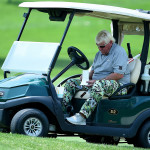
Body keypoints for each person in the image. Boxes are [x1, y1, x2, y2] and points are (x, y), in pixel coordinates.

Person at [62, 30, 130, 125]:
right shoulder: (99, 54)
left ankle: (82, 117)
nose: (99, 49)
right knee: (71, 83)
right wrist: (85, 77)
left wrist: (96, 81)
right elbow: (93, 71)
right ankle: (65, 113)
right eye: (97, 46)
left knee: (98, 85)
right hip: (98, 83)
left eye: (102, 46)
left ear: (110, 43)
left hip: (118, 86)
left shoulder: (119, 52)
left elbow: (118, 74)